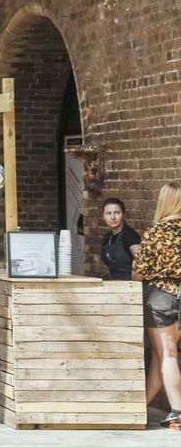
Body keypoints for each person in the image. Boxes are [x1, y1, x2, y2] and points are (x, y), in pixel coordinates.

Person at [134, 182, 181, 428]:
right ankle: (140, 406)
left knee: (167, 354)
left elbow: (138, 273)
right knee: (160, 356)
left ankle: (178, 411)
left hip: (161, 297)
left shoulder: (157, 232)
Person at [100, 197, 141, 281]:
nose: (113, 217)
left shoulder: (130, 235)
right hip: (114, 285)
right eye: (108, 213)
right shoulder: (107, 238)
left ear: (123, 215)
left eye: (117, 213)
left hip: (131, 286)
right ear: (103, 216)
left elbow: (141, 262)